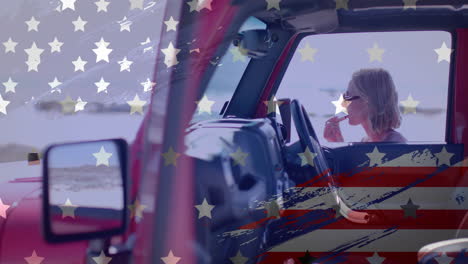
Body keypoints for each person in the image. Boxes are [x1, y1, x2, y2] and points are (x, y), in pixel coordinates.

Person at [324, 68, 407, 143]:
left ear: (367, 101)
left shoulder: (395, 143)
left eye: (348, 96)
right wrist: (338, 142)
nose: (343, 103)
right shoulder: (365, 142)